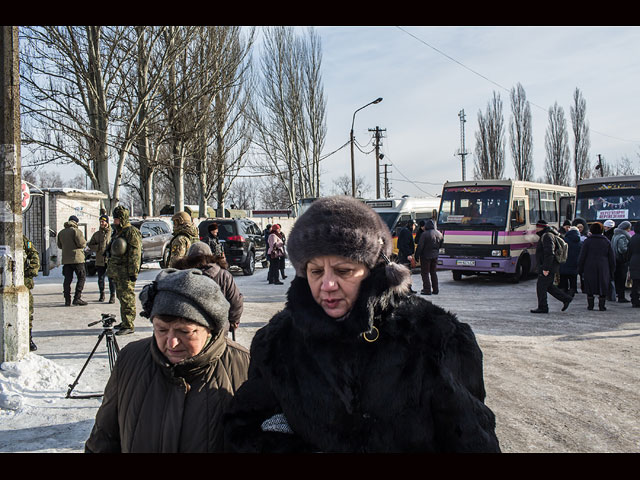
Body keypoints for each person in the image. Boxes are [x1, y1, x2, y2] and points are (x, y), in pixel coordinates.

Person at [223, 195, 500, 453]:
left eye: (343, 270)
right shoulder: (277, 343)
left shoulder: (436, 338)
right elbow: (240, 431)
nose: (327, 285)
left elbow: (474, 444)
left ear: (374, 270)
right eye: (316, 271)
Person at [84, 268, 250, 452]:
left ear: (210, 328)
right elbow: (103, 440)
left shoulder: (243, 366)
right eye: (161, 330)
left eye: (185, 331)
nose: (171, 342)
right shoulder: (130, 360)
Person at [174, 241, 244, 335]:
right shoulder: (223, 275)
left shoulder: (180, 275)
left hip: (189, 330)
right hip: (218, 327)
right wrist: (233, 321)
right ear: (210, 256)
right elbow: (236, 300)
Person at [106, 205, 142, 336]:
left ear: (122, 218)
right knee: (121, 297)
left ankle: (129, 324)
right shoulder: (118, 232)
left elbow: (135, 254)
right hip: (117, 271)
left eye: (116, 219)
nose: (114, 221)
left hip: (126, 272)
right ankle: (124, 321)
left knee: (127, 298)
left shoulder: (131, 232)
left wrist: (133, 272)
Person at [530, 219, 573, 314]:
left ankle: (543, 307)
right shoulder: (548, 234)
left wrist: (546, 268)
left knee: (541, 286)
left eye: (537, 227)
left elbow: (549, 253)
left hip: (548, 266)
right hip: (551, 265)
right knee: (548, 286)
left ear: (541, 227)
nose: (536, 229)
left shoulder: (547, 236)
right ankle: (566, 299)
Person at [577, 222, 616, 311]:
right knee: (602, 285)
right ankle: (602, 306)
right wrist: (612, 270)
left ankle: (590, 305)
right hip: (603, 266)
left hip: (589, 266)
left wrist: (580, 268)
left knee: (590, 286)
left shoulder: (587, 241)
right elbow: (611, 257)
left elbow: (582, 256)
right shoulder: (606, 241)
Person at [56, 215, 88, 306]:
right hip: (77, 259)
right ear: (75, 222)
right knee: (81, 277)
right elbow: (82, 243)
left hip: (66, 260)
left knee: (67, 280)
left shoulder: (61, 232)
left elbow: (60, 246)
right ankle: (77, 298)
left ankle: (67, 300)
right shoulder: (76, 231)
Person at [87, 214, 115, 303]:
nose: (101, 223)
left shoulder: (113, 233)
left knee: (111, 279)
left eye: (103, 221)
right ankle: (102, 294)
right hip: (100, 259)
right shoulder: (97, 234)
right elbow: (91, 245)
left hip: (110, 259)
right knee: (101, 278)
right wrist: (98, 247)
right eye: (100, 222)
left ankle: (112, 296)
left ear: (107, 222)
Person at [415, 218, 443, 295]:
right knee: (433, 272)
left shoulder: (425, 234)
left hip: (425, 256)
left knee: (425, 273)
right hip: (435, 256)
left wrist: (416, 256)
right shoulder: (439, 233)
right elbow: (440, 245)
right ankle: (435, 289)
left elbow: (420, 246)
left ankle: (427, 289)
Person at [23, 235, 40, 351]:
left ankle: (28, 339)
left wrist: (31, 271)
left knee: (27, 311)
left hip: (21, 280)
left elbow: (33, 253)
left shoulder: (21, 238)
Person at [558, 226, 582, 297]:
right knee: (573, 279)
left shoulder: (564, 240)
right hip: (575, 264)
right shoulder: (580, 242)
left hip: (564, 263)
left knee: (564, 278)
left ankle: (564, 293)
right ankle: (572, 291)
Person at [612, 221, 632, 303]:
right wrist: (629, 250)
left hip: (615, 259)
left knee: (617, 278)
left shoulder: (615, 235)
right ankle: (621, 297)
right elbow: (622, 249)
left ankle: (616, 294)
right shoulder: (623, 236)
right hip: (621, 260)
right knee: (621, 279)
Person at [396, 219, 417, 293]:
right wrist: (408, 254)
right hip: (404, 256)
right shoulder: (406, 232)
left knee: (406, 272)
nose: (415, 227)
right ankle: (406, 289)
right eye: (414, 225)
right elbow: (404, 245)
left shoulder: (405, 231)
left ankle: (407, 289)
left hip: (403, 254)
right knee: (406, 272)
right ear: (412, 225)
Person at [627, 222, 640, 308]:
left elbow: (628, 251)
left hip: (634, 261)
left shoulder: (632, 238)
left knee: (635, 282)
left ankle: (634, 300)